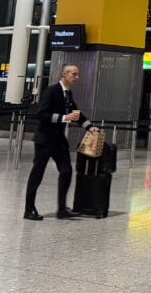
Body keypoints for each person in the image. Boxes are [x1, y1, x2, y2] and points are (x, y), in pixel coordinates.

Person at [24, 64, 98, 220]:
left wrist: (90, 127)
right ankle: (29, 209)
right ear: (65, 74)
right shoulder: (51, 91)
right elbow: (41, 114)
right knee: (37, 174)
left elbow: (77, 115)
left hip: (58, 141)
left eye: (77, 74)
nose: (77, 77)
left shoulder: (68, 94)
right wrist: (64, 118)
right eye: (74, 74)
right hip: (45, 140)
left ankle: (62, 209)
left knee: (66, 171)